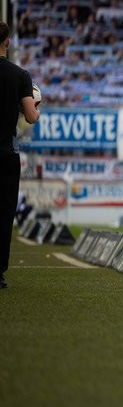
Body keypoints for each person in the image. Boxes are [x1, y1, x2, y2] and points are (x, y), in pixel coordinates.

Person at [1, 21, 40, 288]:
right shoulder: (20, 75)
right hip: (5, 153)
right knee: (3, 214)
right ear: (8, 42)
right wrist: (35, 104)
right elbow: (30, 116)